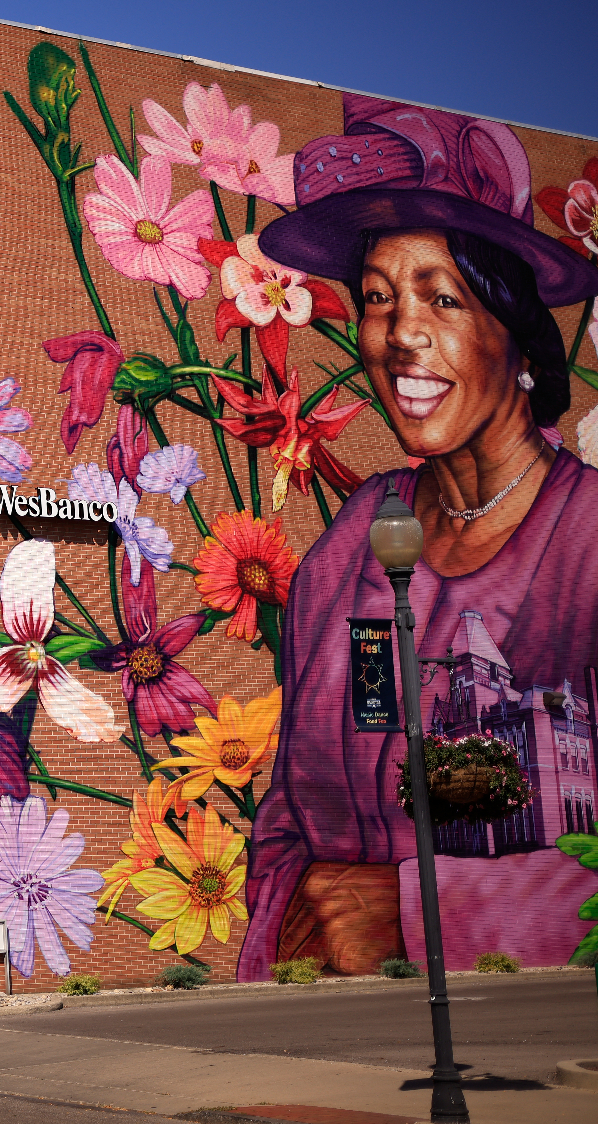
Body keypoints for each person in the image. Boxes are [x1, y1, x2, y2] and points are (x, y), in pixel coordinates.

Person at [243, 96, 598, 979]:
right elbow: (291, 807)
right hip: (333, 1025)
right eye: (376, 299)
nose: (400, 334)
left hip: (515, 1041)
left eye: (441, 297)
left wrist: (417, 913)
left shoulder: (587, 541)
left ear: (518, 342)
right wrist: (295, 922)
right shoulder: (357, 544)